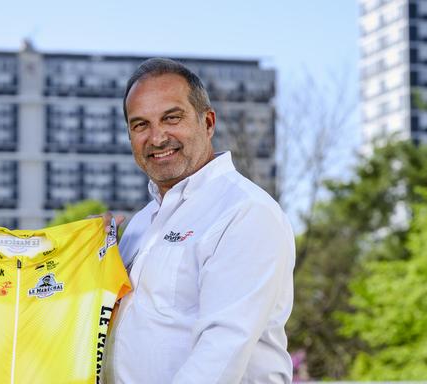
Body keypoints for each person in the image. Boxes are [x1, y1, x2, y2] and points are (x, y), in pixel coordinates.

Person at [104, 58, 296, 383]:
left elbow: (220, 356)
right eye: (140, 125)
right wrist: (91, 254)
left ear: (208, 122)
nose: (157, 137)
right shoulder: (139, 224)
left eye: (172, 118)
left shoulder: (244, 212)